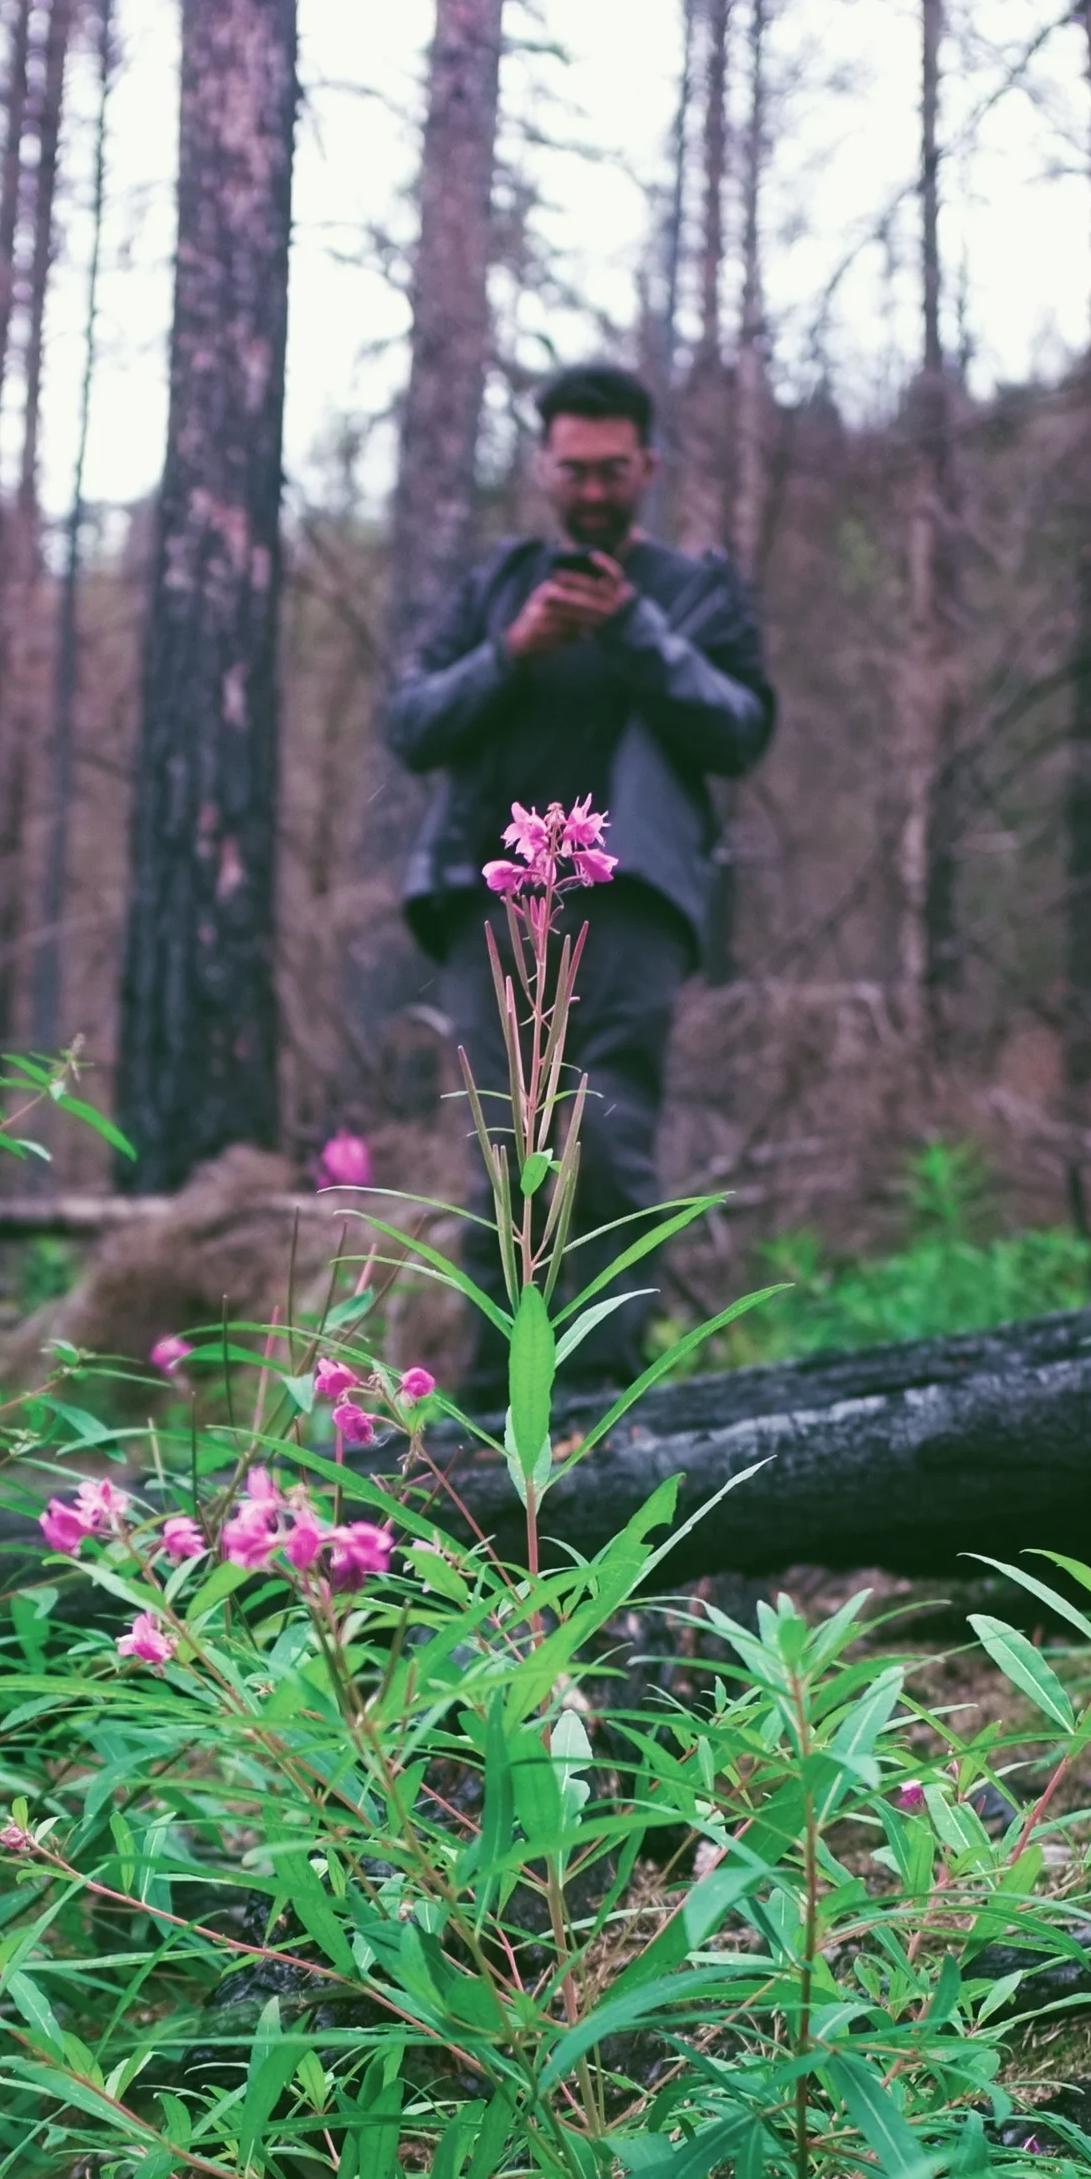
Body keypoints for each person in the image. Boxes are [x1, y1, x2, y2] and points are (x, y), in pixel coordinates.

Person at [384, 358, 775, 1402]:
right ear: (543, 469)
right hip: (493, 903)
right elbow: (410, 724)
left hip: (630, 900)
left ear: (646, 466)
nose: (592, 490)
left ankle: (595, 1390)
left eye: (612, 470)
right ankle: (488, 1402)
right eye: (572, 470)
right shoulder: (497, 590)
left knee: (601, 1129)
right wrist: (512, 652)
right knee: (504, 1140)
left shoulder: (694, 593)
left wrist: (633, 630)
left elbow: (741, 729)